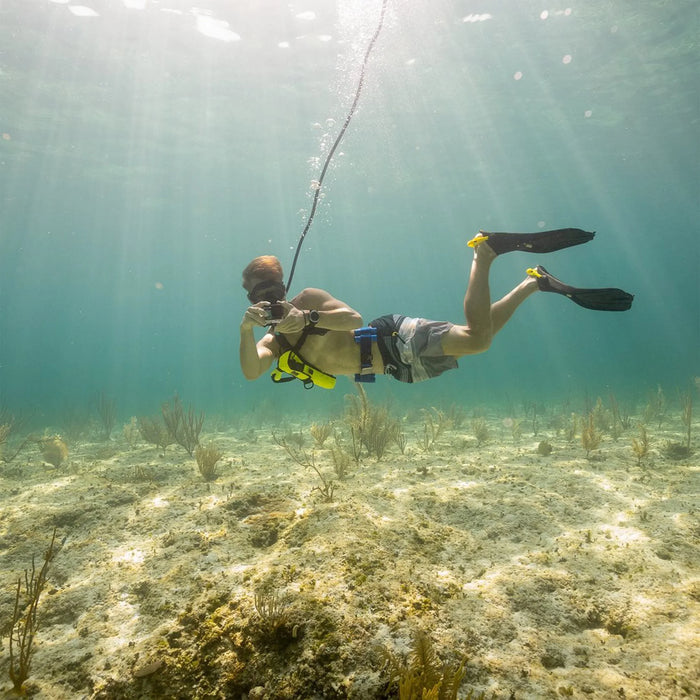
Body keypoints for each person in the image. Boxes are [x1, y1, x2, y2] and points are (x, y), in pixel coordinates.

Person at [239, 229, 633, 388]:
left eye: (271, 289)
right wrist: (245, 331)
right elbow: (252, 370)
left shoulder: (307, 300)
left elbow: (353, 319)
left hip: (390, 337)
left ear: (283, 286)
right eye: (257, 296)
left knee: (477, 340)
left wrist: (305, 317)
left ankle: (486, 252)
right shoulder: (276, 342)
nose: (267, 300)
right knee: (479, 335)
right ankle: (535, 282)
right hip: (396, 367)